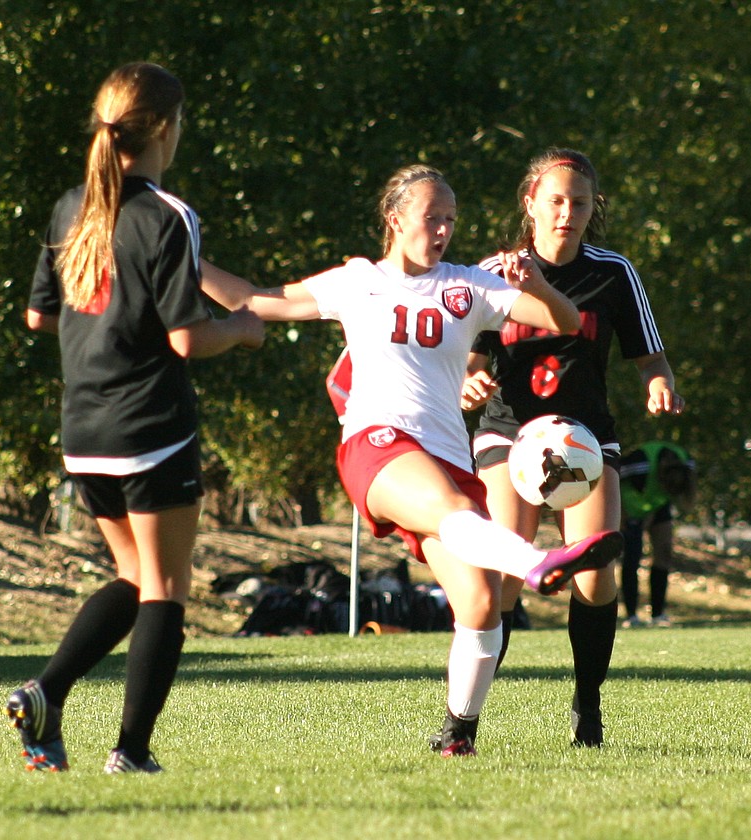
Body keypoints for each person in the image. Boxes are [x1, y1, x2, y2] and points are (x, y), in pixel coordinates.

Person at [202, 164, 623, 758]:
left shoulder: (469, 285)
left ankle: (458, 733)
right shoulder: (357, 281)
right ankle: (536, 563)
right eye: (432, 217)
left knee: (479, 605)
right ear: (395, 219)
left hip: (446, 460)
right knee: (456, 512)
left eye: (451, 219)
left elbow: (565, 322)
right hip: (378, 446)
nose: (445, 229)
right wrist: (182, 260)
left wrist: (534, 283)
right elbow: (253, 299)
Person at [9, 62, 264, 774]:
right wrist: (242, 327)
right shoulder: (167, 215)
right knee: (168, 586)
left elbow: (38, 314)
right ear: (165, 129)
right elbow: (189, 337)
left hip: (84, 433)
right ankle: (131, 751)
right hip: (150, 428)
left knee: (134, 575)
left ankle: (45, 693)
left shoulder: (71, 206)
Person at [461, 148, 684, 747]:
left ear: (594, 208)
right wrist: (468, 379)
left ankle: (588, 706)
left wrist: (659, 382)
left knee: (596, 576)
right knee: (505, 578)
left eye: (579, 202)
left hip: (585, 436)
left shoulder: (614, 273)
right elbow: (466, 360)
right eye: (555, 201)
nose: (567, 212)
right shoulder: (492, 272)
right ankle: (465, 721)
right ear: (530, 203)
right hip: (508, 433)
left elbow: (650, 357)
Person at [618, 441, 696, 628]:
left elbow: (688, 500)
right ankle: (631, 616)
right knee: (632, 557)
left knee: (664, 552)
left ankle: (658, 614)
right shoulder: (639, 465)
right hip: (629, 508)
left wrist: (653, 513)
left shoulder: (687, 463)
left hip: (658, 505)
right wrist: (621, 516)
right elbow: (611, 481)